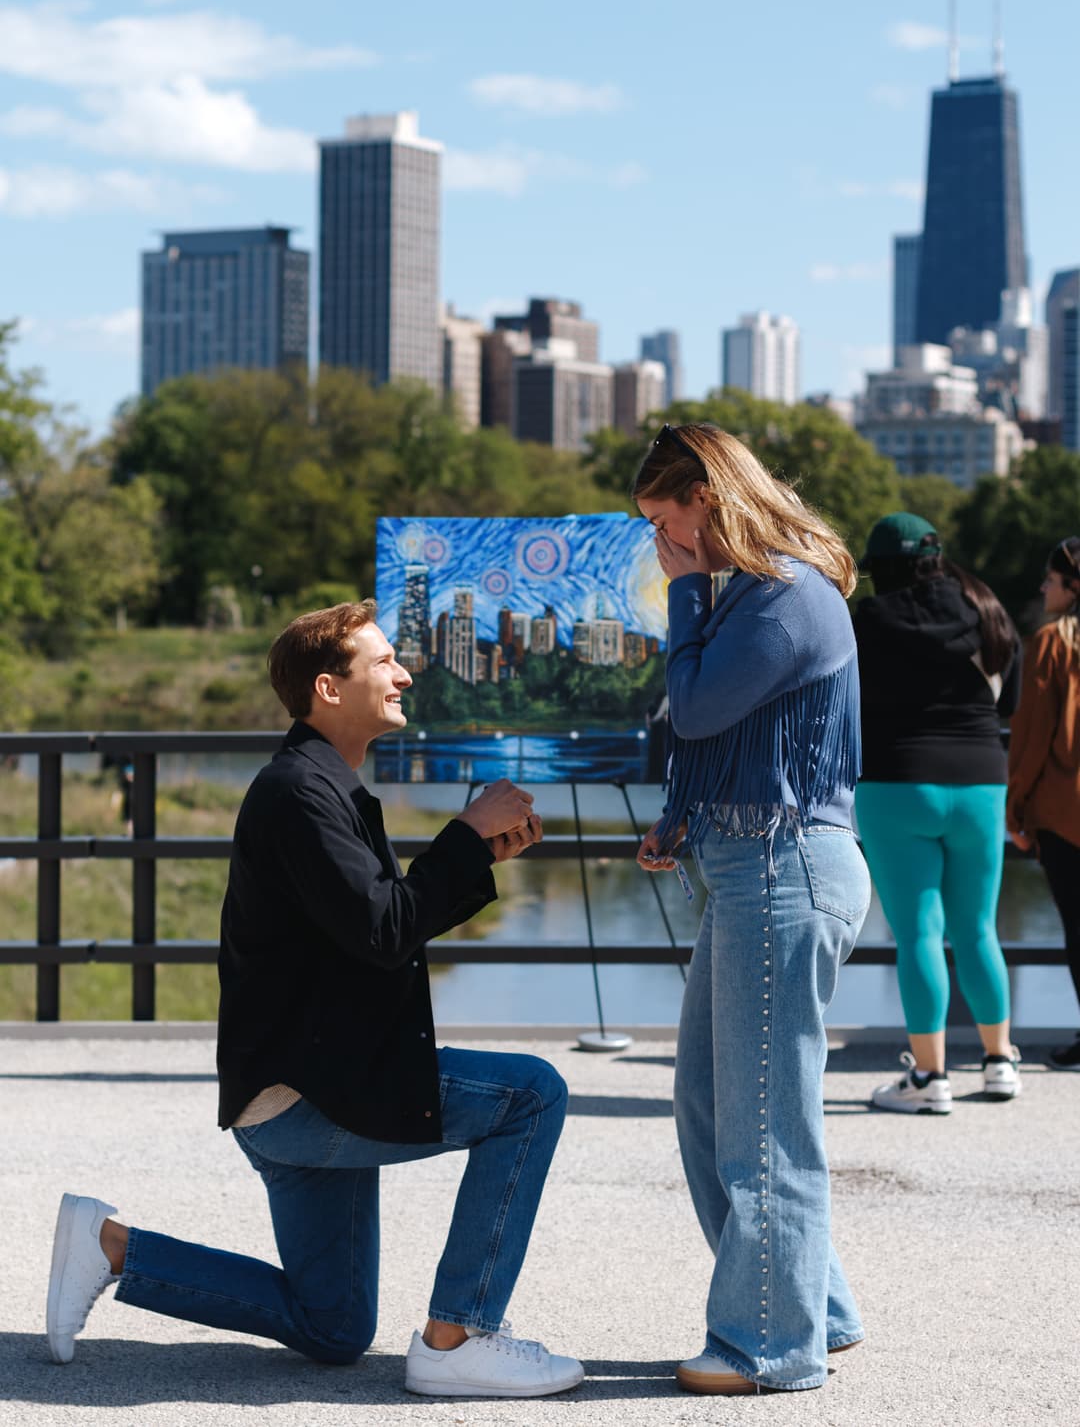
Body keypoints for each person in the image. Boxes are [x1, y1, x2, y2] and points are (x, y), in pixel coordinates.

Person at [45, 600, 584, 1400]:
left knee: (333, 1329)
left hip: (305, 1086)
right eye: (383, 663)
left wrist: (473, 858)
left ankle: (112, 1246)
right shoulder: (299, 792)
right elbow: (383, 931)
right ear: (329, 690)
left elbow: (373, 927)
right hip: (309, 1098)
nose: (403, 673)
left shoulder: (318, 785)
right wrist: (464, 836)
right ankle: (459, 1336)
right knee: (533, 1095)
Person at [633, 423, 870, 1397]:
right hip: (748, 863)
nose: (661, 544)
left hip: (784, 869)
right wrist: (680, 818)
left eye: (667, 522)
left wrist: (687, 587)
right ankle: (816, 1306)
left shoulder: (784, 598)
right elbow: (724, 738)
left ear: (715, 499)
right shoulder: (753, 600)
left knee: (764, 1126)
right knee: (709, 1108)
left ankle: (770, 1346)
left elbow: (693, 708)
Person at [853, 514, 1023, 1113]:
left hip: (896, 785)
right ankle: (1000, 1062)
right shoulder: (986, 609)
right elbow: (1015, 697)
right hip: (981, 783)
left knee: (919, 933)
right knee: (978, 929)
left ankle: (929, 1079)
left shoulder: (867, 621)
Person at [1006, 536, 1080, 1071]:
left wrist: (1016, 808)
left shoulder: (1052, 641)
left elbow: (1032, 739)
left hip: (1065, 811)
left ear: (1072, 587)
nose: (1043, 587)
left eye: (1050, 580)